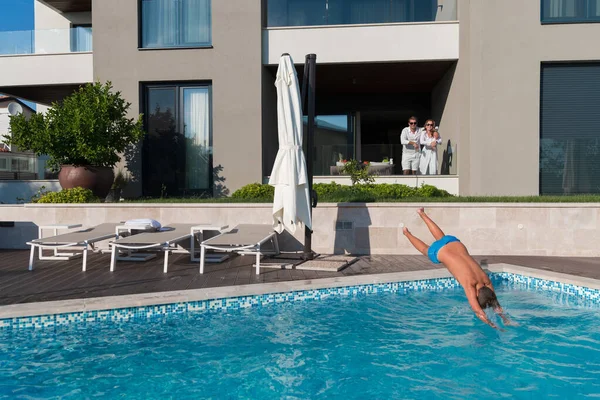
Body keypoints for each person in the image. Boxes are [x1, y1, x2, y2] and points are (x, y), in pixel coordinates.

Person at [403, 208, 512, 329]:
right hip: (440, 252)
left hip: (454, 242)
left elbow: (495, 301)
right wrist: (494, 326)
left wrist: (505, 319)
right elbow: (478, 311)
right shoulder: (470, 285)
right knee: (425, 250)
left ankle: (421, 213)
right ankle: (406, 233)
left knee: (441, 237)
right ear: (476, 294)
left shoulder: (486, 280)